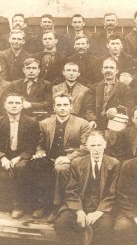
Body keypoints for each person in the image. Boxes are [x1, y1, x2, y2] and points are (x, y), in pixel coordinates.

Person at [54, 131, 120, 245]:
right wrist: (79, 210)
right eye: (93, 145)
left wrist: (98, 212)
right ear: (87, 146)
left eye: (99, 145)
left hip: (102, 207)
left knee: (106, 226)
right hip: (79, 204)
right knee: (62, 223)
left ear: (105, 145)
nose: (96, 149)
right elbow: (71, 189)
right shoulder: (78, 163)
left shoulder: (114, 164)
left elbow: (113, 193)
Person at [28, 92, 91, 222]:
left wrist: (68, 158)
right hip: (50, 157)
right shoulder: (44, 123)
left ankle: (56, 207)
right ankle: (42, 204)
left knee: (60, 169)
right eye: (59, 105)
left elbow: (85, 147)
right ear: (54, 107)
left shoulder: (82, 124)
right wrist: (40, 152)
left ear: (71, 107)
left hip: (71, 160)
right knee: (36, 164)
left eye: (65, 105)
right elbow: (39, 144)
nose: (62, 108)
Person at [83, 57, 133, 130]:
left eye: (111, 68)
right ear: (102, 70)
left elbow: (129, 106)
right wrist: (92, 120)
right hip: (97, 124)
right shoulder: (94, 87)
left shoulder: (125, 88)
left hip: (115, 124)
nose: (108, 70)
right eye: (106, 67)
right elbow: (88, 106)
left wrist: (117, 110)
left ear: (116, 71)